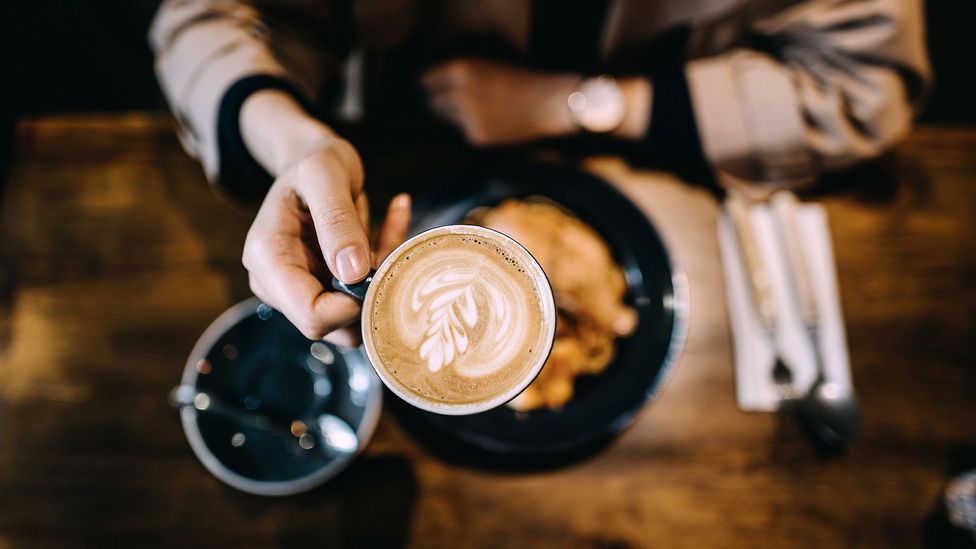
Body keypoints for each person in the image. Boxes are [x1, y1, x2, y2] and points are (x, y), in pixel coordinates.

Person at [149, 0, 929, 344]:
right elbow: (209, 20)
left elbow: (868, 85)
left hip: (648, 155)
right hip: (400, 153)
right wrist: (291, 141)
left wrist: (586, 103)